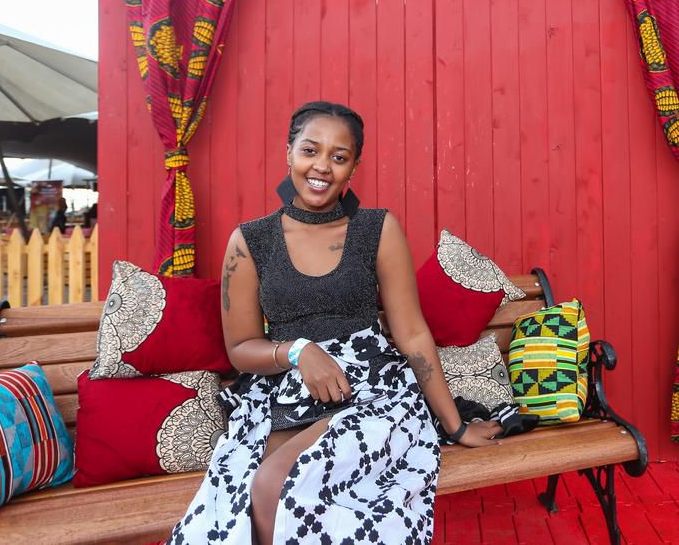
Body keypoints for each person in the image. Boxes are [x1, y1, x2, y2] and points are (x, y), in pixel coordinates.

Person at [170, 102, 500, 545]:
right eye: (310, 150)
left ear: (354, 167)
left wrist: (455, 425)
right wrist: (298, 351)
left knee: (274, 485)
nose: (321, 166)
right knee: (242, 497)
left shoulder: (376, 229)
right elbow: (241, 347)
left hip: (370, 389)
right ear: (289, 152)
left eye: (339, 157)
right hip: (284, 389)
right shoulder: (251, 242)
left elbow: (412, 333)